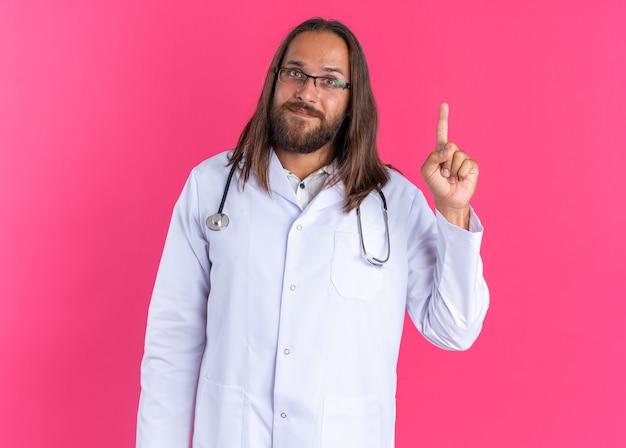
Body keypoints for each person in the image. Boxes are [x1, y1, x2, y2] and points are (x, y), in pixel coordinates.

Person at [137, 17, 489, 448]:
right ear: (275, 79)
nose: (307, 92)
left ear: (352, 99)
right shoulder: (211, 187)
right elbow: (172, 344)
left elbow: (455, 329)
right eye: (296, 73)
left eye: (329, 80)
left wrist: (453, 211)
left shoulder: (394, 202)